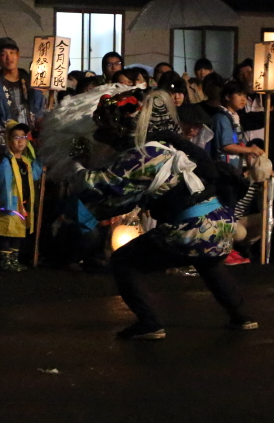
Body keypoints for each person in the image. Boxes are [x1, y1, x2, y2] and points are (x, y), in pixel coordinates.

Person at [69, 90, 257, 340]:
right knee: (207, 261)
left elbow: (98, 185)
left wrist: (75, 162)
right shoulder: (170, 146)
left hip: (191, 226)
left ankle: (149, 323)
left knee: (124, 261)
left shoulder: (145, 154)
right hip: (220, 222)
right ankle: (241, 316)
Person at [0, 37, 45, 161]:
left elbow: (38, 114)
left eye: (12, 53)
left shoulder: (30, 82)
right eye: (3, 54)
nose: (9, 58)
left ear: (18, 55)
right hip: (5, 146)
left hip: (28, 145)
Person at [0, 121, 43, 272]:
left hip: (23, 204)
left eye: (23, 137)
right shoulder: (6, 161)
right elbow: (3, 180)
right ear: (8, 141)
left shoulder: (26, 162)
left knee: (18, 233)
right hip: (10, 203)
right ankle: (5, 261)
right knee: (7, 232)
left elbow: (35, 175)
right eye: (16, 137)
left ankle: (14, 259)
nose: (20, 141)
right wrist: (8, 203)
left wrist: (41, 159)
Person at [210, 80, 265, 171]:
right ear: (227, 97)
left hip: (233, 167)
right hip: (224, 168)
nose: (243, 99)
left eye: (245, 95)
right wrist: (251, 150)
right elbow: (227, 146)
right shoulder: (222, 118)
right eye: (239, 94)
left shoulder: (233, 117)